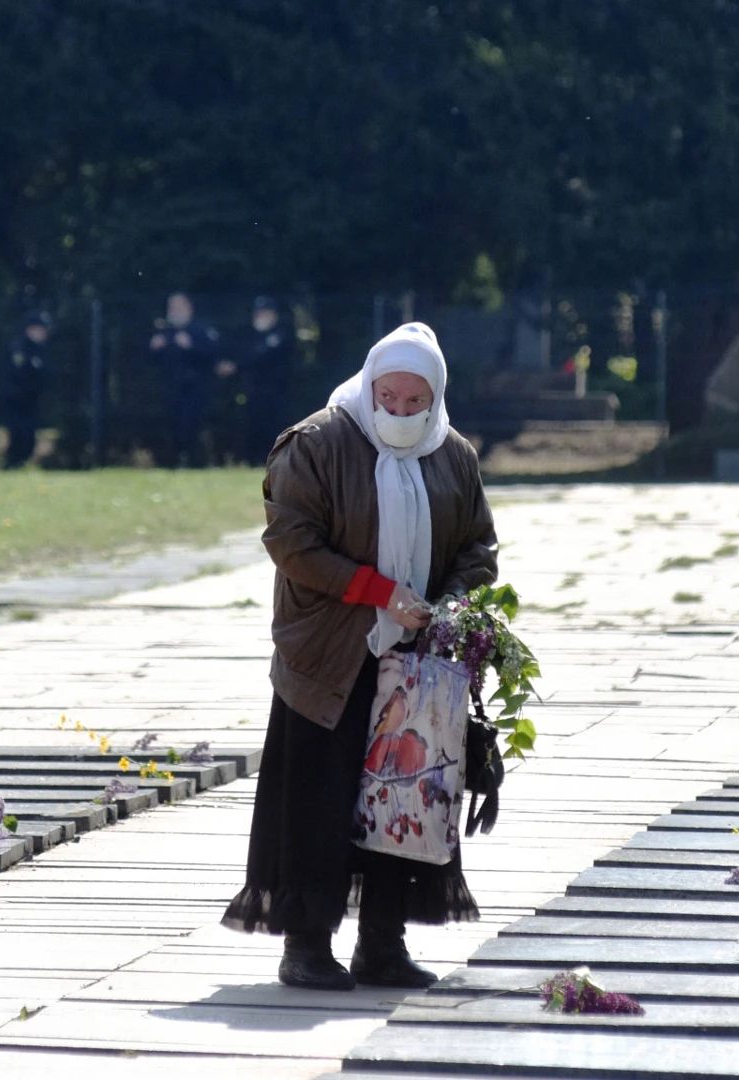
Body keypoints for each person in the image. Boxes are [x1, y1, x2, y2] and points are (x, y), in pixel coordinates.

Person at [222, 322, 499, 991]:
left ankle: (383, 943)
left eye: (415, 403)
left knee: (401, 802)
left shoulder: (454, 456)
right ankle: (308, 944)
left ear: (434, 401)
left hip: (415, 664)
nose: (401, 414)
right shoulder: (316, 443)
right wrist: (379, 593)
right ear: (369, 385)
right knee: (320, 800)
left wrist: (451, 607)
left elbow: (478, 550)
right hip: (331, 657)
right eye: (390, 398)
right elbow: (291, 542)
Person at [148, 292, 226, 466]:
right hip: (171, 388)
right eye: (171, 307)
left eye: (178, 307)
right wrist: (154, 349)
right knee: (171, 426)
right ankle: (171, 462)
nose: (174, 311)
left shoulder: (201, 330)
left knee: (191, 426)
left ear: (189, 308)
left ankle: (195, 462)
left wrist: (191, 347)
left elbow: (213, 356)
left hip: (196, 389)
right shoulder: (164, 332)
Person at [241, 296, 297, 465]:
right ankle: (253, 460)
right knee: (255, 426)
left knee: (275, 426)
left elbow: (260, 356)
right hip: (255, 390)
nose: (261, 317)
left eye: (265, 313)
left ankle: (276, 460)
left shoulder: (282, 335)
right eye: (259, 313)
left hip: (277, 391)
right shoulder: (250, 336)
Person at [2, 312, 49, 468]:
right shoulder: (20, 348)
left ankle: (19, 464)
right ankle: (12, 464)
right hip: (16, 400)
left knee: (29, 437)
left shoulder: (41, 350)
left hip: (32, 401)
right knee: (18, 434)